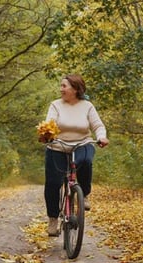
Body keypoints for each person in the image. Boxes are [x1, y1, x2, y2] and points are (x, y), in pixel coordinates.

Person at [39, 74, 109, 236]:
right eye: (61, 86)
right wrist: (46, 134)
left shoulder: (87, 106)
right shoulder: (56, 105)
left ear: (75, 89)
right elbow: (50, 122)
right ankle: (53, 220)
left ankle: (83, 194)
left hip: (81, 143)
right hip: (58, 146)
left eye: (64, 86)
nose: (61, 89)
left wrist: (101, 137)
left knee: (85, 160)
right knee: (53, 183)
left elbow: (98, 126)